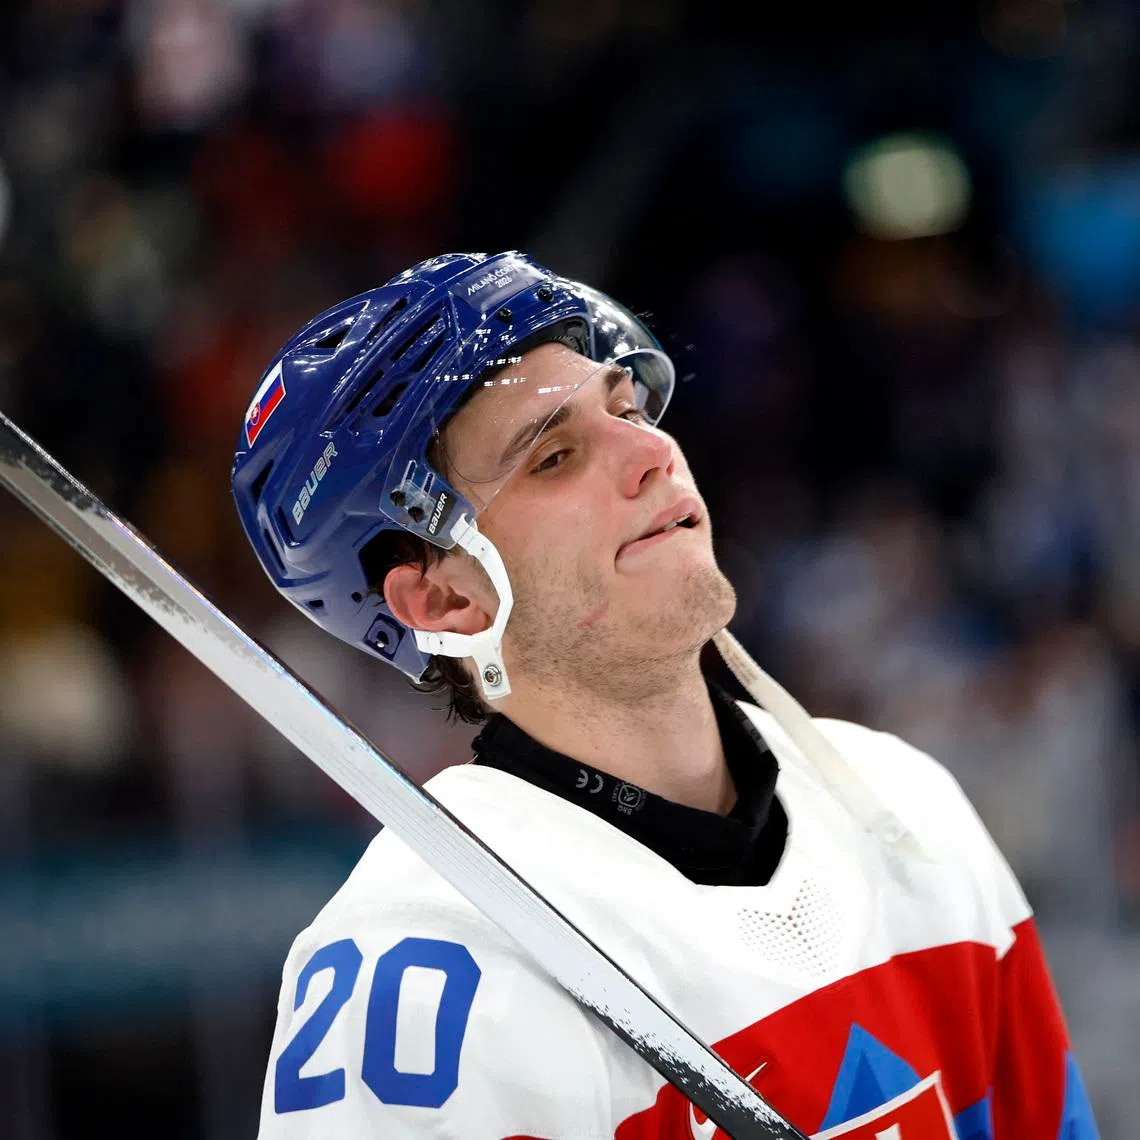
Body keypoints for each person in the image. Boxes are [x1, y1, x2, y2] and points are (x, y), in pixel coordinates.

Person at [232, 251, 1099, 1139]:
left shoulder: (907, 806)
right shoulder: (417, 979)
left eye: (629, 408)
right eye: (556, 456)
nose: (654, 452)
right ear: (447, 599)